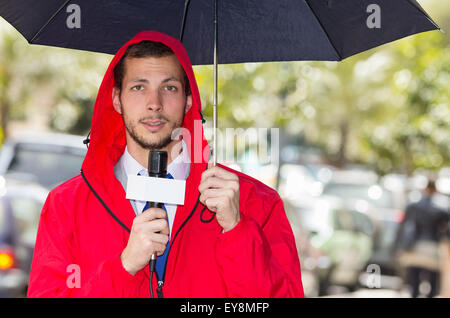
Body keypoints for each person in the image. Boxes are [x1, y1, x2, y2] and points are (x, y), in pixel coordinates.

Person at [27, 31, 304, 298]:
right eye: (139, 87)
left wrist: (236, 231)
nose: (154, 104)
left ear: (188, 100)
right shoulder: (66, 206)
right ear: (116, 100)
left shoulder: (257, 203)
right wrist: (124, 266)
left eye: (169, 88)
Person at [395, 179, 449, 298]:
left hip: (415, 246)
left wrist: (398, 246)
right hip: (433, 248)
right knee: (432, 285)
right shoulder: (441, 210)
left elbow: (403, 227)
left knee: (414, 284)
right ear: (435, 190)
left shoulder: (413, 206)